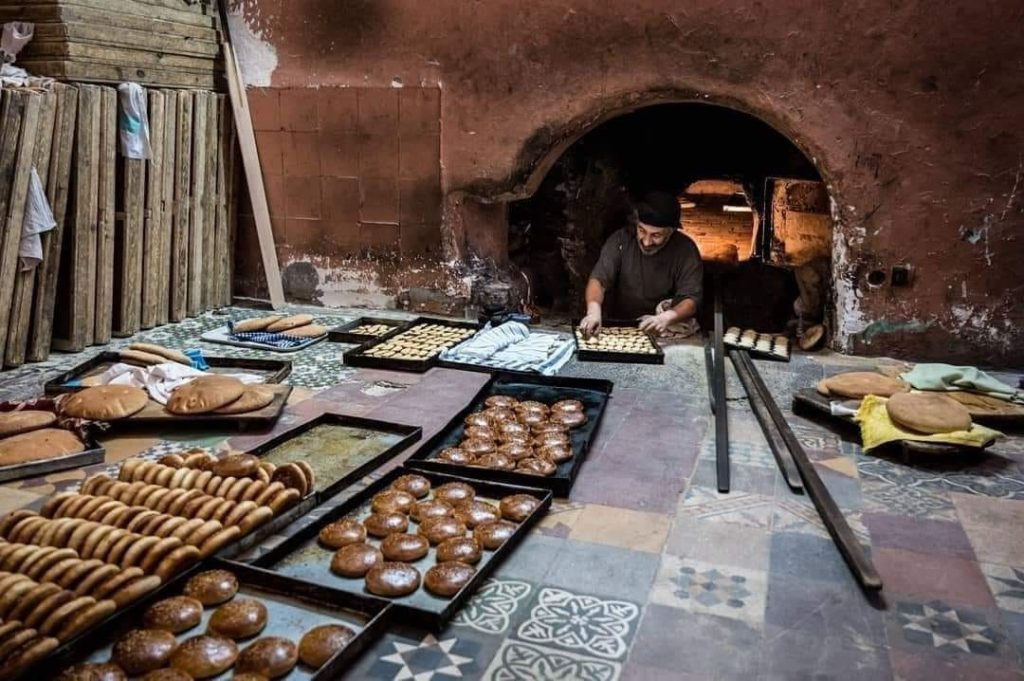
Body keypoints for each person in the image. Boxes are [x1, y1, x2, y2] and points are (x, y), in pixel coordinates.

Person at [579, 191, 703, 337]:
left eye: (656, 235)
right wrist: (593, 311)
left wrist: (665, 318)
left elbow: (691, 300)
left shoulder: (686, 250)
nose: (646, 242)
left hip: (664, 328)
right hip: (622, 325)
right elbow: (599, 280)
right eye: (642, 230)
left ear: (671, 232)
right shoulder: (620, 240)